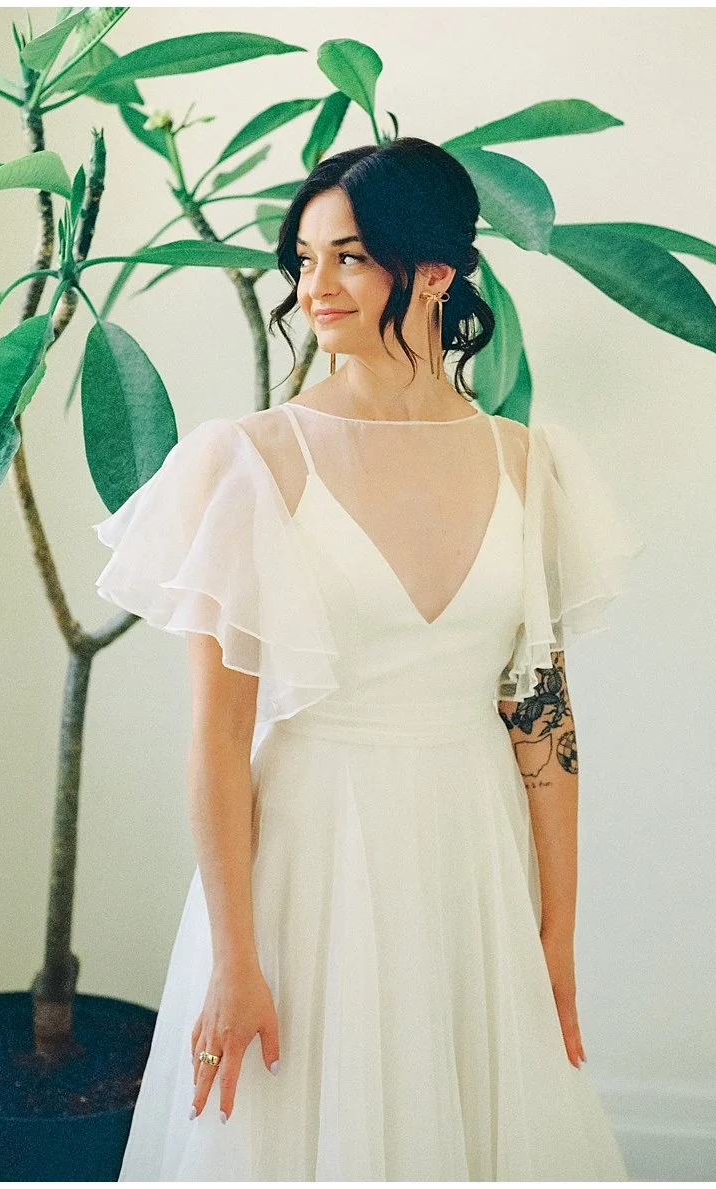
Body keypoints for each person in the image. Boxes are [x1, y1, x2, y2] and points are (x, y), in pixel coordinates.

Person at [93, 136, 645, 1180]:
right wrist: (233, 957)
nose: (315, 286)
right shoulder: (247, 459)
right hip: (306, 862)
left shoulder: (524, 462)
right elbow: (214, 740)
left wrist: (554, 942)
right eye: (302, 260)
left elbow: (543, 722)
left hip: (468, 857)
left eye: (347, 256)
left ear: (432, 269)